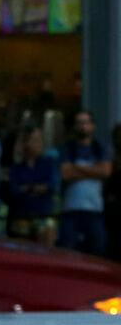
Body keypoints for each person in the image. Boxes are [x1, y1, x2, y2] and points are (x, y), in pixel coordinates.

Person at [58, 109, 110, 256]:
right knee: (68, 252)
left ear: (93, 126)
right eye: (79, 123)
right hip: (71, 210)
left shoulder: (99, 148)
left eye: (86, 122)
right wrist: (94, 171)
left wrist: (76, 167)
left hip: (94, 210)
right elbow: (66, 173)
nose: (83, 126)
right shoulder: (68, 148)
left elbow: (105, 172)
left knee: (98, 251)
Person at [3, 123, 61, 246]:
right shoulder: (17, 168)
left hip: (44, 215)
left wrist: (27, 188)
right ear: (26, 143)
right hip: (21, 218)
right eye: (34, 140)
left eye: (40, 140)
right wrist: (36, 188)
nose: (38, 143)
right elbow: (14, 191)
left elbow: (52, 186)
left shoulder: (49, 164)